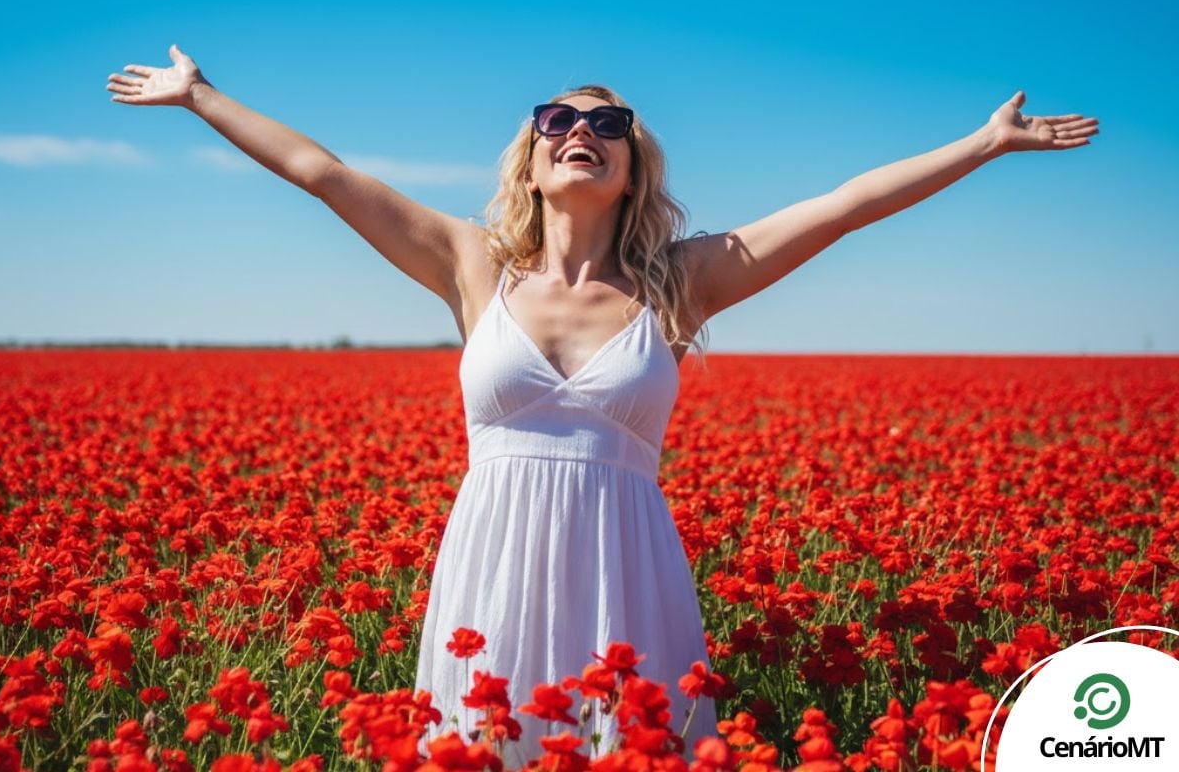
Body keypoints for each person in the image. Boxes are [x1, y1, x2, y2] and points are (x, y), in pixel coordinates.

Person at [107, 45, 1099, 764]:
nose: (582, 131)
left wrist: (982, 144)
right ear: (531, 158)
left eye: (608, 124)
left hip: (625, 564)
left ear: (631, 169)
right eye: (559, 120)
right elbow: (324, 175)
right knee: (480, 743)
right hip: (492, 561)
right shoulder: (469, 264)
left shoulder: (681, 281)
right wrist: (203, 98)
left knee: (630, 743)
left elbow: (844, 206)